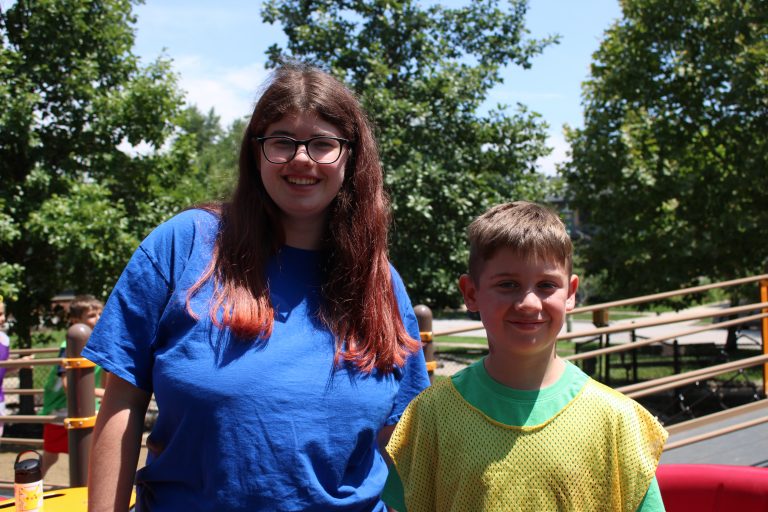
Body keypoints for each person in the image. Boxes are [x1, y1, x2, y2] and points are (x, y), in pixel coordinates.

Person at [84, 62, 430, 511]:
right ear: (256, 152)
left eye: (323, 143)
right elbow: (121, 403)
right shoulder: (184, 245)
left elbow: (401, 437)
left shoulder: (379, 281)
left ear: (351, 157)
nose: (301, 158)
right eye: (282, 141)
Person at [383, 201, 668, 511]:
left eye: (547, 285)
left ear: (570, 293)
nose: (529, 303)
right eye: (508, 284)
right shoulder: (431, 415)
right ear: (471, 293)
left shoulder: (616, 420)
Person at [40, 294, 105, 477]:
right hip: (61, 409)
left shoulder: (99, 344)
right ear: (76, 321)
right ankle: (30, 488)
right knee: (50, 457)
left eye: (101, 313)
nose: (98, 319)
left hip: (85, 406)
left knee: (95, 452)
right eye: (92, 315)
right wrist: (102, 394)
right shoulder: (70, 344)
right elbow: (70, 385)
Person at [0, 297, 10, 437]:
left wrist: (21, 363)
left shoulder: (5, 339)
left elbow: (4, 367)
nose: (1, 318)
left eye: (2, 314)